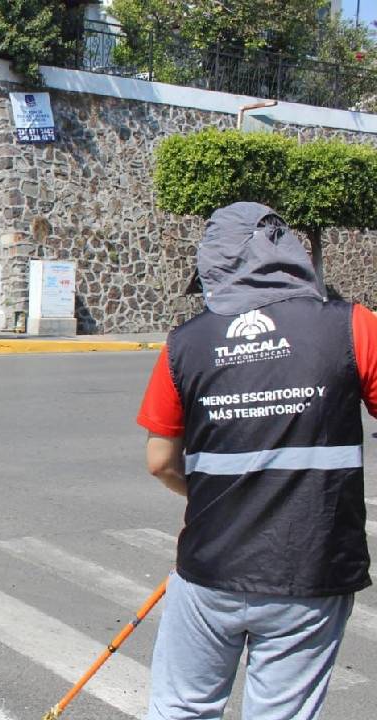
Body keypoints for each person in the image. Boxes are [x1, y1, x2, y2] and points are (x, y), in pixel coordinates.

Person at [137, 202, 376, 720]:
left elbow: (160, 461)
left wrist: (215, 502)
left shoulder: (185, 343)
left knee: (181, 708)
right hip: (310, 570)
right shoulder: (353, 327)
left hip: (211, 565)